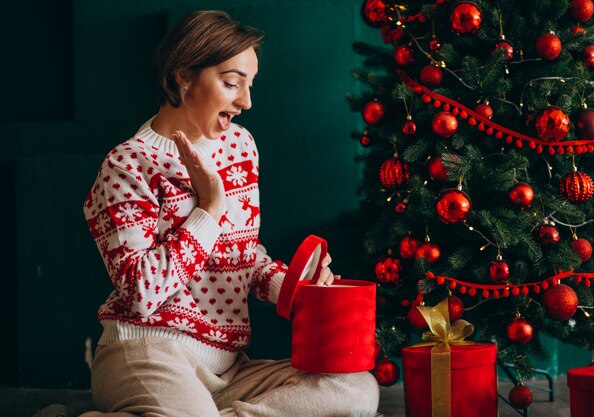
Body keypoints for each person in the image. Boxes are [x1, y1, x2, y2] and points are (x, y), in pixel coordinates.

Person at [79, 10, 379, 417]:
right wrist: (210, 209)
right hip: (146, 350)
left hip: (227, 368)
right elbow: (140, 292)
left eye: (249, 85)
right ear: (184, 76)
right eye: (232, 83)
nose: (246, 102)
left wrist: (296, 288)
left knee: (356, 389)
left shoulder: (239, 146)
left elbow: (243, 255)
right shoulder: (127, 166)